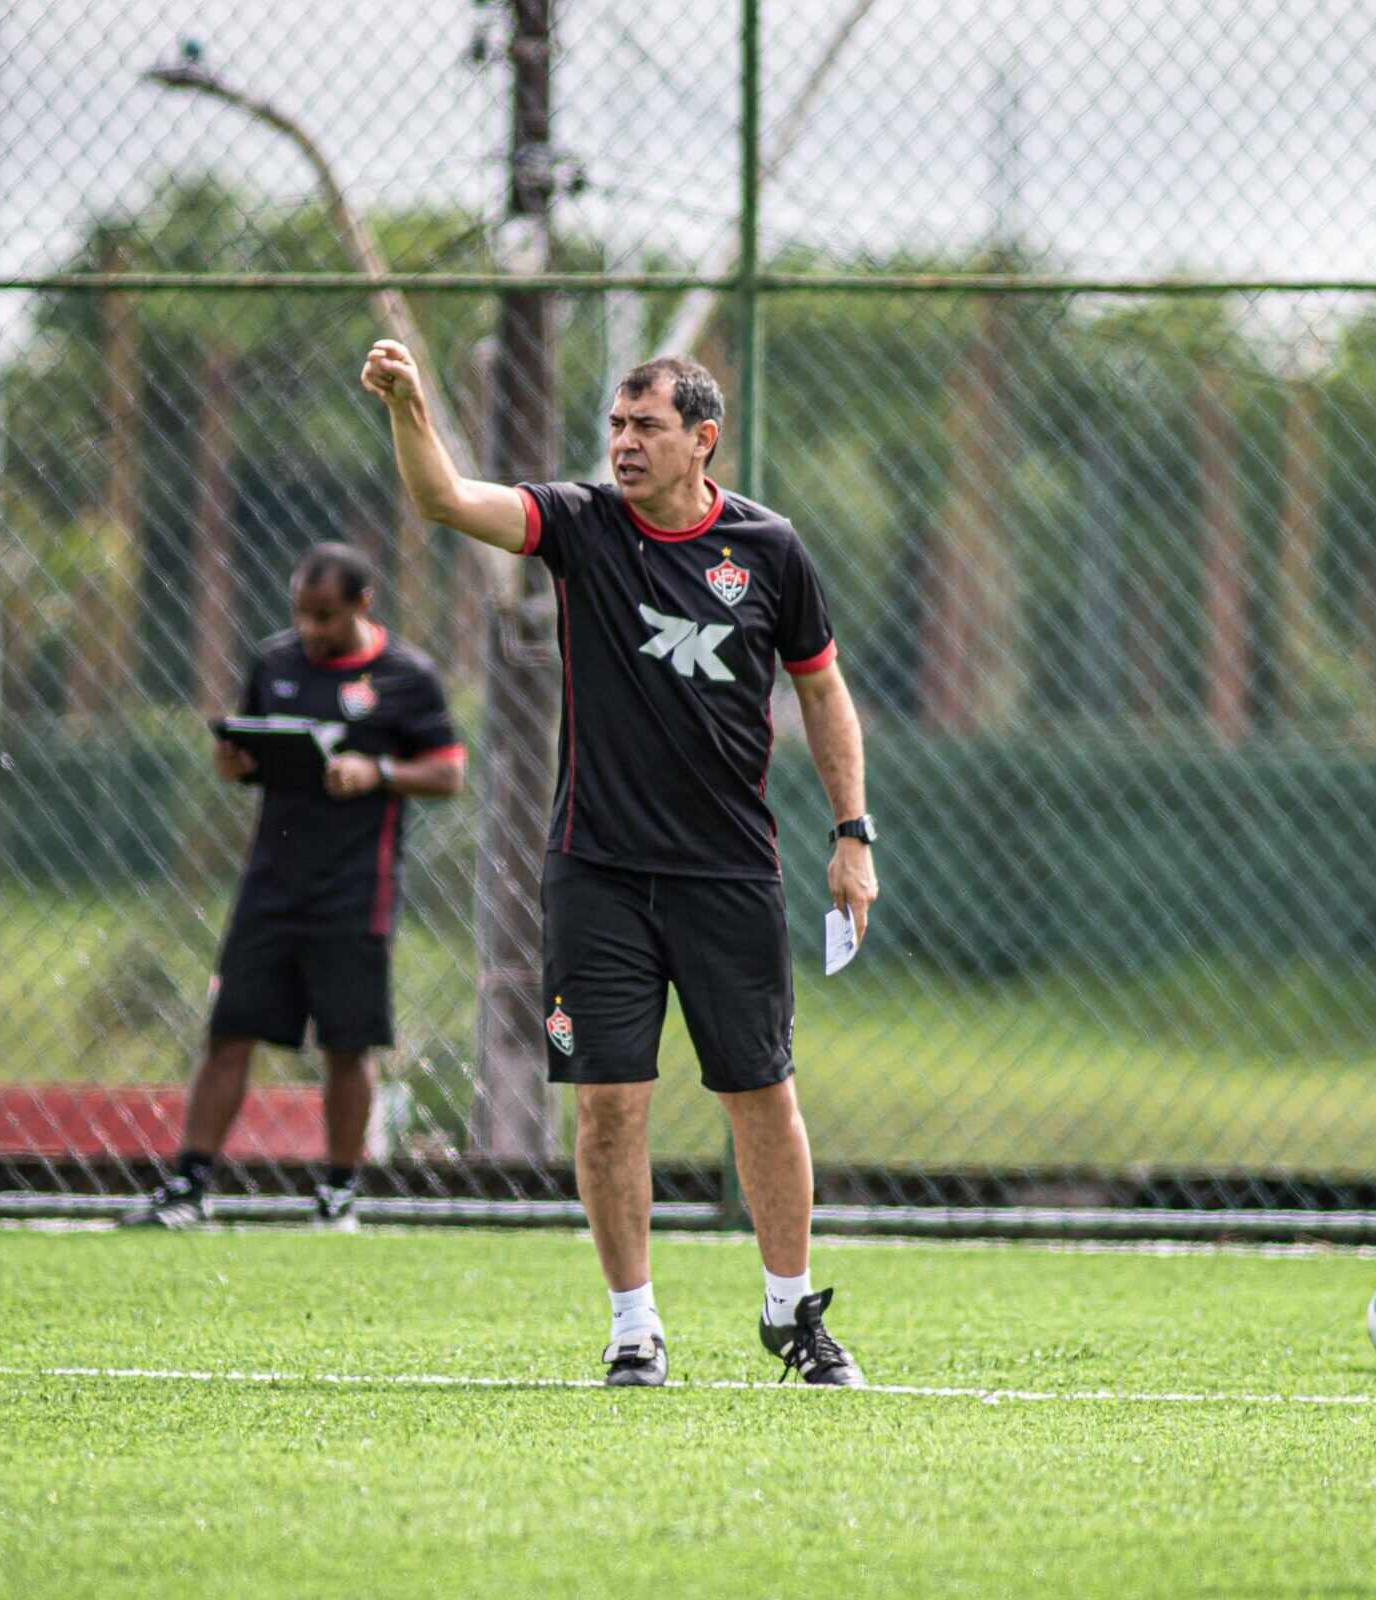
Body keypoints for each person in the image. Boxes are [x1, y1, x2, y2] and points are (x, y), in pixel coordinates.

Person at [361, 340, 880, 1388]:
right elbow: (445, 500)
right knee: (608, 1104)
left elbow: (821, 688)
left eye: (646, 426)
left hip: (729, 874)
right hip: (595, 871)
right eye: (615, 425)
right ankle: (633, 1327)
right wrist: (410, 406)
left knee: (762, 1095)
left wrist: (852, 833)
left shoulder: (769, 549)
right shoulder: (582, 524)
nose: (624, 443)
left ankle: (792, 1313)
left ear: (703, 439)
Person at [123, 544, 465, 1231]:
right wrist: (233, 762)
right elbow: (248, 752)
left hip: (356, 888)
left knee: (347, 1043)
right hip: (271, 883)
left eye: (325, 615)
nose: (309, 628)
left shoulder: (407, 677)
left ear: (363, 603)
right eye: (301, 613)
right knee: (229, 1030)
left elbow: (449, 774)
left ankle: (338, 1197)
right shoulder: (274, 663)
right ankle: (190, 1188)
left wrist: (377, 773)